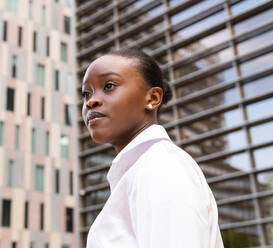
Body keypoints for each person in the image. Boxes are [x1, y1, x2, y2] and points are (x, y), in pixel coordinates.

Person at [81, 49, 224, 247]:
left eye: (109, 86)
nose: (91, 101)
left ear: (153, 98)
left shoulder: (161, 167)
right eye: (86, 93)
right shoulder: (144, 168)